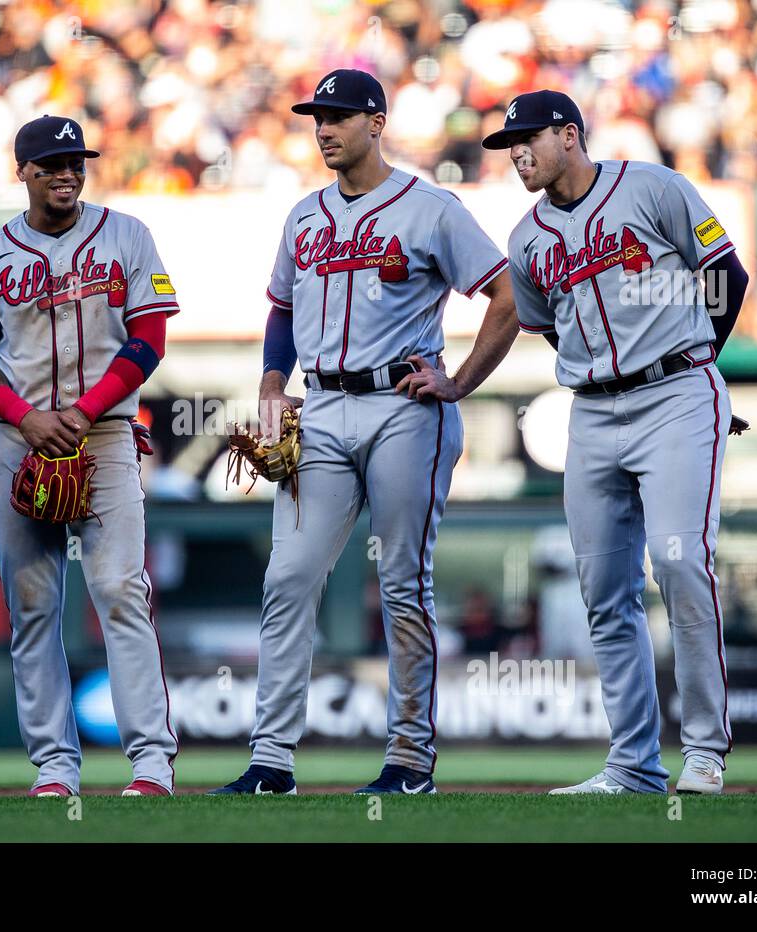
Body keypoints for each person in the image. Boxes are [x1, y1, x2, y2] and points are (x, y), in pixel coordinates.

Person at [210, 70, 519, 795]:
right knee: (287, 575)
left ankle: (410, 760)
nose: (325, 127)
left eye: (341, 116)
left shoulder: (430, 208)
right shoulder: (304, 216)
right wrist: (268, 385)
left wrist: (460, 381)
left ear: (376, 123)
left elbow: (507, 294)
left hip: (404, 408)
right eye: (319, 116)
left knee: (402, 581)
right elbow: (282, 308)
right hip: (320, 406)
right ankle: (271, 763)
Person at [482, 90, 750, 795]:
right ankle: (633, 765)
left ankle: (703, 752)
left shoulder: (654, 186)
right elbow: (543, 324)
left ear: (569, 135)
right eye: (509, 143)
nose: (516, 152)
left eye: (528, 138)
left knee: (682, 564)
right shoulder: (525, 239)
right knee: (604, 592)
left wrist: (699, 368)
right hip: (592, 412)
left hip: (675, 392)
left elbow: (726, 273)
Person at [0, 115, 179, 797]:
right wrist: (26, 417)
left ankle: (151, 764)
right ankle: (54, 766)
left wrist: (80, 412)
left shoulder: (127, 234)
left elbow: (150, 338)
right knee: (33, 603)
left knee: (119, 591)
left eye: (76, 161)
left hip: (102, 431)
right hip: (17, 439)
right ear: (22, 172)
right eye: (51, 164)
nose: (68, 173)